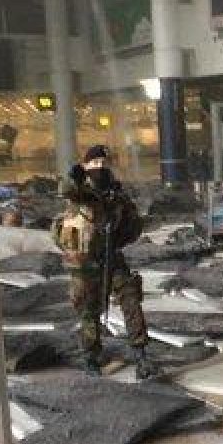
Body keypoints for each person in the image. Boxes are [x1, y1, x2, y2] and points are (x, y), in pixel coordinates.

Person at [53, 146, 158, 379]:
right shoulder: (80, 189)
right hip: (84, 261)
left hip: (111, 255)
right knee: (88, 311)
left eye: (103, 162)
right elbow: (68, 190)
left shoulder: (114, 192)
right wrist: (75, 177)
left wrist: (123, 211)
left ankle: (141, 354)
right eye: (94, 163)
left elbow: (133, 226)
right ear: (86, 164)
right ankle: (91, 358)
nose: (99, 167)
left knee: (130, 298)